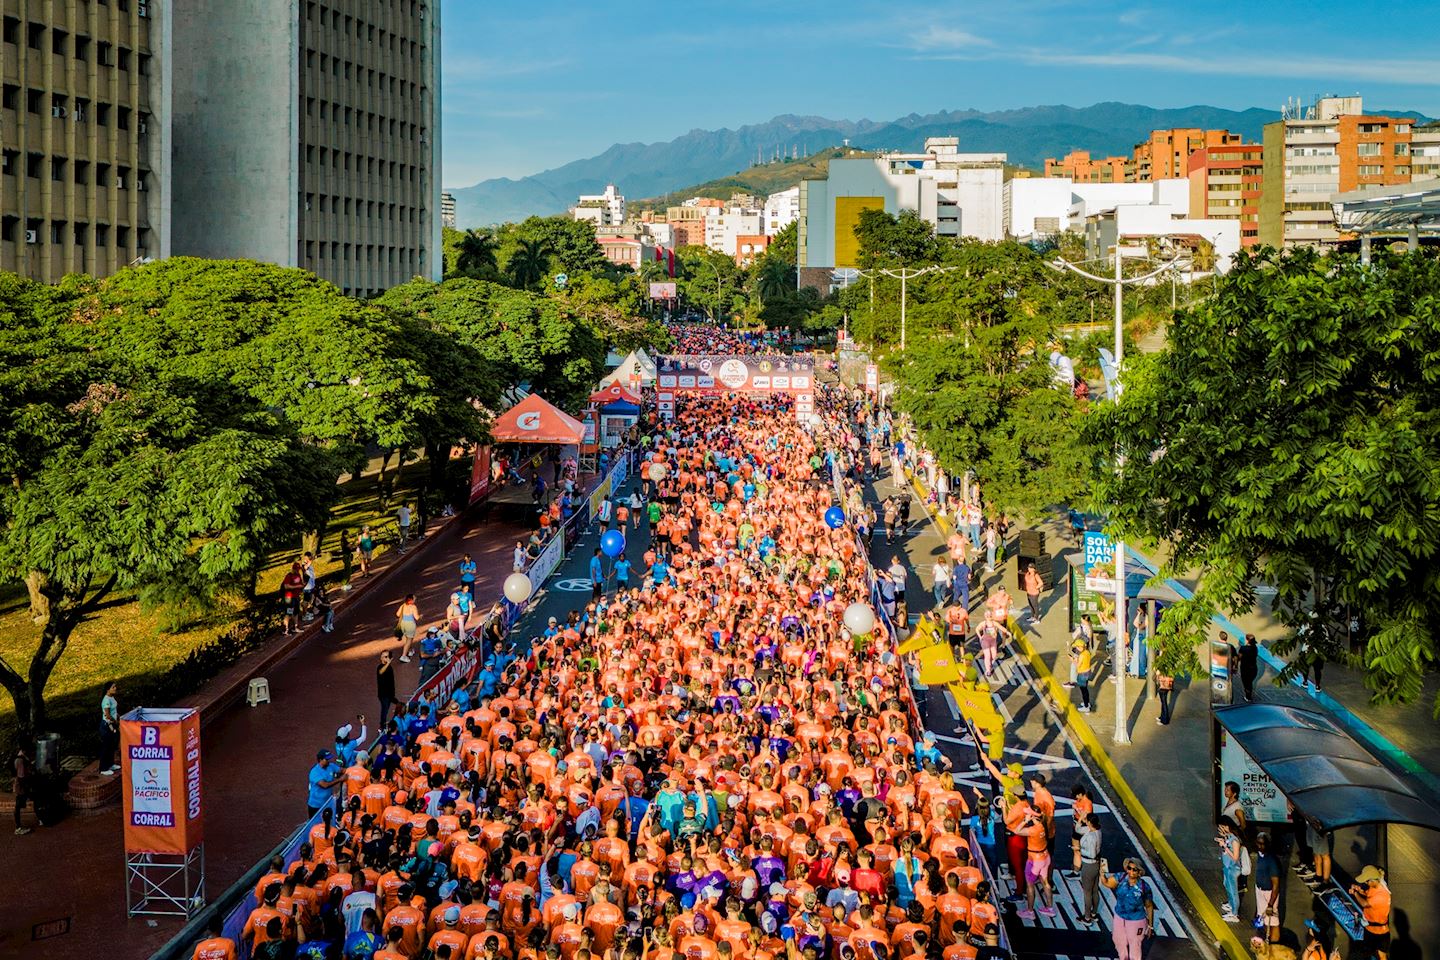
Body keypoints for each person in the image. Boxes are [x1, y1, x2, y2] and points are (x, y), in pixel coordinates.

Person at [1100, 858, 1155, 960]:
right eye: (1129, 868)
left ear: (1139, 872)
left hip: (1136, 920)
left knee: (1135, 944)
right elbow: (1107, 883)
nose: (1131, 871)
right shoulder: (1120, 877)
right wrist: (1102, 874)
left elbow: (1149, 906)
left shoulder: (1144, 887)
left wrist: (1150, 926)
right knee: (1118, 940)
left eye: (1134, 870)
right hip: (1119, 917)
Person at [1350, 864, 1391, 960]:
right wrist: (1360, 891)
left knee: (1380, 956)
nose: (1365, 883)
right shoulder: (1374, 887)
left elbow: (1365, 904)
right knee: (1371, 955)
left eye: (1366, 881)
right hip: (1370, 929)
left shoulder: (1382, 895)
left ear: (1372, 880)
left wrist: (1355, 893)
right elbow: (1368, 894)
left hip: (1379, 934)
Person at [1251, 832, 1281, 943]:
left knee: (1273, 920)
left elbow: (1276, 885)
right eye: (1258, 843)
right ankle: (1266, 941)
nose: (1260, 846)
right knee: (1263, 918)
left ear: (1268, 845)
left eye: (1262, 844)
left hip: (1269, 893)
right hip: (1259, 889)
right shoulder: (1260, 854)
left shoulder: (1272, 861)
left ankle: (1274, 944)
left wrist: (1270, 904)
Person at [1073, 813, 1103, 924]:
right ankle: (1094, 913)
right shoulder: (1096, 831)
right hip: (1096, 864)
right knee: (1095, 890)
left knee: (1087, 892)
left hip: (1088, 865)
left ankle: (1087, 917)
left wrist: (1078, 848)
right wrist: (1080, 819)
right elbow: (1078, 829)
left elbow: (1091, 853)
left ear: (1090, 822)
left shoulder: (1090, 836)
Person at [1217, 817, 1244, 922]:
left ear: (1228, 826)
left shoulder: (1235, 840)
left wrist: (1225, 846)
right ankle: (1231, 904)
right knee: (1227, 885)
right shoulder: (1229, 837)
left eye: (1222, 827)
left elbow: (1235, 857)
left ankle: (1234, 914)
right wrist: (1223, 840)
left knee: (1233, 891)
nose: (1221, 829)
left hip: (1233, 868)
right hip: (1227, 867)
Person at [307, 751, 343, 817]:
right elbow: (325, 785)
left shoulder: (331, 766)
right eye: (326, 759)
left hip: (327, 803)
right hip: (316, 805)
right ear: (320, 760)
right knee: (314, 825)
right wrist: (340, 779)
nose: (328, 761)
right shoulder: (315, 772)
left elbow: (342, 770)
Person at [98, 681, 120, 775]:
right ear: (108, 689)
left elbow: (114, 711)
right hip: (107, 726)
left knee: (111, 745)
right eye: (113, 687)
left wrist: (118, 716)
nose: (115, 688)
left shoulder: (112, 698)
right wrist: (116, 722)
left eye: (115, 687)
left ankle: (110, 764)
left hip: (112, 725)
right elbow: (107, 715)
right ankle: (103, 768)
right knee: (106, 746)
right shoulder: (106, 700)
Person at [13, 746, 35, 834]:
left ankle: (41, 818)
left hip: (21, 785)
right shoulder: (20, 760)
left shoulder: (21, 758)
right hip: (21, 787)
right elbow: (21, 776)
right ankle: (18, 828)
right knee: (18, 806)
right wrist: (26, 788)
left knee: (19, 805)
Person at [394, 595, 419, 663]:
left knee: (407, 638)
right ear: (411, 600)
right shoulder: (413, 607)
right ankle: (403, 656)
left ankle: (410, 650)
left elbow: (398, 614)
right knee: (409, 640)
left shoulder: (403, 605)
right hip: (410, 625)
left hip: (403, 623)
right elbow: (417, 617)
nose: (415, 599)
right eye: (414, 598)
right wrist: (420, 616)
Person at [376, 651, 397, 725]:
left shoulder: (389, 667)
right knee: (385, 710)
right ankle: (382, 725)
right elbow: (381, 672)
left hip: (390, 694)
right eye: (385, 657)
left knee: (399, 705)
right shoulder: (380, 667)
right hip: (383, 694)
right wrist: (388, 663)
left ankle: (392, 721)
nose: (386, 658)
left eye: (387, 656)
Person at [1238, 633, 1259, 701]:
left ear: (1247, 640)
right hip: (1253, 668)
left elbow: (1239, 657)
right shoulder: (1255, 648)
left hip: (1245, 669)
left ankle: (1248, 697)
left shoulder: (1243, 648)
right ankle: (1248, 695)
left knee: (1247, 684)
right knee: (1249, 682)